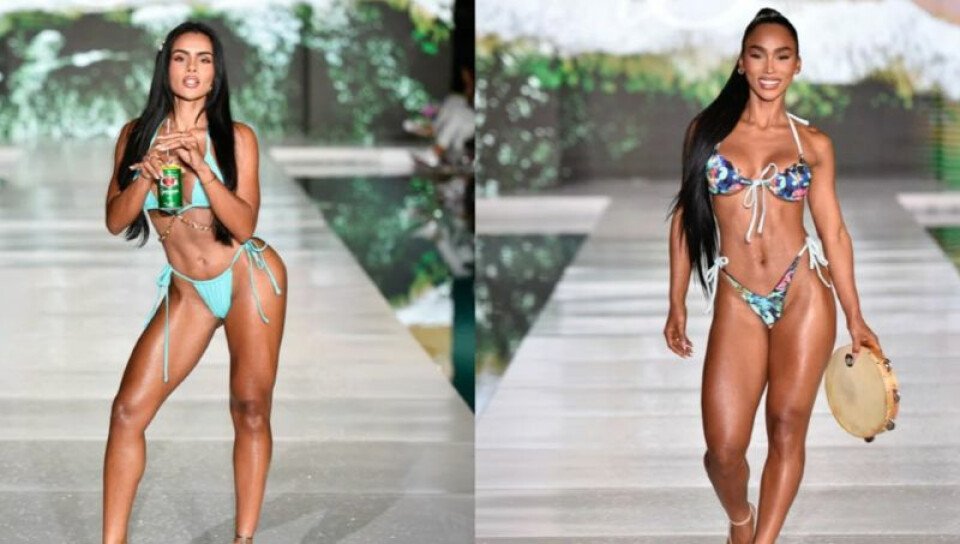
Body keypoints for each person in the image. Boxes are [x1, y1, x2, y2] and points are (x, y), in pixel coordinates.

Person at [663, 8, 882, 544]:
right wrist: (676, 302)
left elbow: (834, 232)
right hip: (737, 297)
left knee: (786, 427)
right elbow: (686, 220)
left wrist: (855, 316)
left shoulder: (814, 144)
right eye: (758, 55)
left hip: (803, 292)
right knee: (723, 451)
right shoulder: (706, 134)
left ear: (797, 65)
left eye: (782, 57)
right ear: (741, 62)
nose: (769, 67)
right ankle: (741, 518)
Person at [102, 21, 287, 544]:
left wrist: (202, 169)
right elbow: (115, 220)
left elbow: (245, 225)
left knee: (250, 408)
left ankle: (243, 539)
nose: (192, 69)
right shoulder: (135, 135)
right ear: (165, 66)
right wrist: (145, 173)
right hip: (187, 290)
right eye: (181, 57)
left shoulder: (237, 138)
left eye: (204, 60)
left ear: (216, 72)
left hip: (249, 279)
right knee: (127, 412)